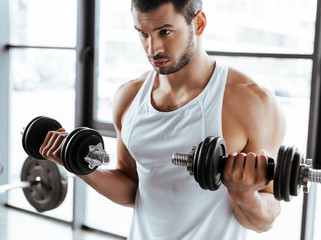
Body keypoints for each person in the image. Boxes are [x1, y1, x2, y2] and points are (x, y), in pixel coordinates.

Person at [39, 0, 286, 239]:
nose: (152, 49)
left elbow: (265, 219)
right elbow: (131, 189)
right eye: (143, 34)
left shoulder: (252, 102)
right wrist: (80, 166)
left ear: (198, 23)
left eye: (164, 32)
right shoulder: (129, 98)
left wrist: (243, 194)